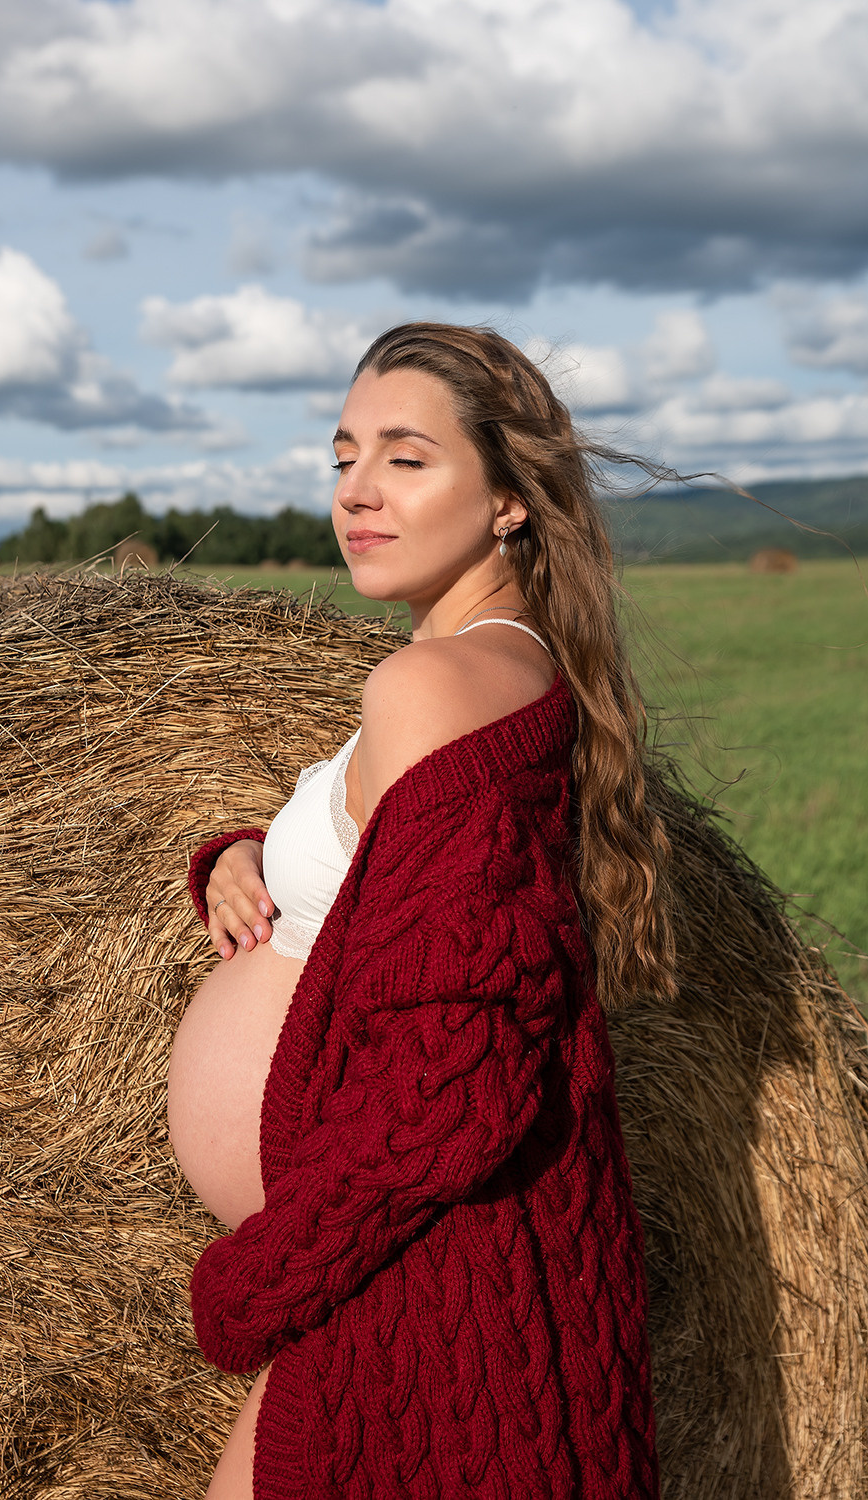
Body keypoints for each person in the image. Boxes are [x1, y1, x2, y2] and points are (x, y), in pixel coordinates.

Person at [166, 322, 676, 1498]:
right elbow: (406, 891)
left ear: (506, 498)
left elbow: (451, 1079)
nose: (356, 492)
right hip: (398, 1268)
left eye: (405, 458)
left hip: (416, 1285)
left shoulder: (431, 684)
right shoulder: (486, 665)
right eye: (342, 457)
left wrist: (255, 1282)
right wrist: (250, 857)